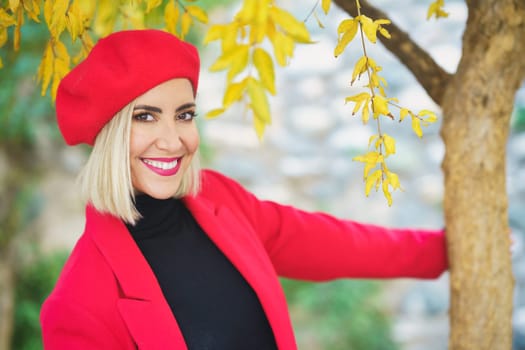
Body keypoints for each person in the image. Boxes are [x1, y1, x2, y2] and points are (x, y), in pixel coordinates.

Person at [40, 29, 447, 350]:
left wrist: (443, 251)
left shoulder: (217, 199)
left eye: (184, 115)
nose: (172, 139)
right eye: (145, 117)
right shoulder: (78, 304)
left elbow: (327, 242)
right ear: (108, 134)